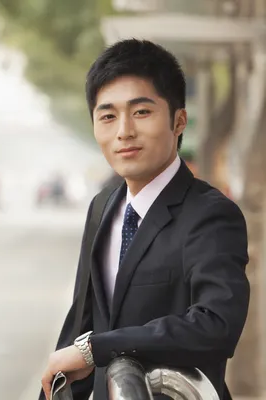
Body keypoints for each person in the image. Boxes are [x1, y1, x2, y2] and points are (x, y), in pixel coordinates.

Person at [40, 39, 249, 400]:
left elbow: (216, 326)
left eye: (141, 112)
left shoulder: (211, 213)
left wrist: (97, 348)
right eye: (108, 116)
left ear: (178, 120)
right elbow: (81, 326)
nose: (123, 131)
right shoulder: (101, 206)